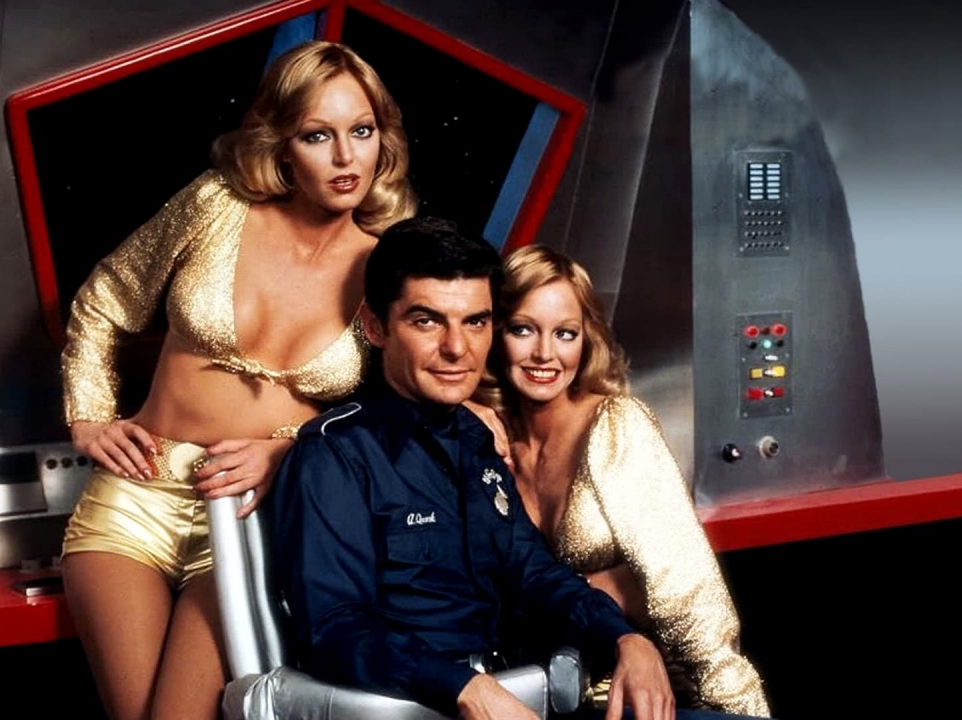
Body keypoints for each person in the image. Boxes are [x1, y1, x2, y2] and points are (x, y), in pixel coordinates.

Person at [269, 217, 761, 720]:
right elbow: (335, 628)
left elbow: (534, 571)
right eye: (427, 321)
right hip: (428, 706)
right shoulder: (335, 456)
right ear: (376, 327)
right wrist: (464, 688)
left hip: (527, 696)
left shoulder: (476, 439)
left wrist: (625, 638)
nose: (457, 348)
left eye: (475, 322)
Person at [57, 41, 417, 720]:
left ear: (384, 140)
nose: (346, 157)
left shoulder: (391, 265)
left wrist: (288, 450)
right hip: (134, 497)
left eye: (362, 131)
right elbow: (107, 297)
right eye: (318, 135)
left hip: (254, 516)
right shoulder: (215, 204)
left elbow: (398, 415)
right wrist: (89, 412)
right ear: (282, 145)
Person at [474, 244, 772, 717]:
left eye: (565, 333)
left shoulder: (616, 426)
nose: (544, 353)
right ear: (494, 333)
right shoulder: (484, 438)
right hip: (538, 696)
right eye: (523, 329)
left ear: (586, 339)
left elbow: (692, 600)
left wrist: (737, 711)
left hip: (650, 694)